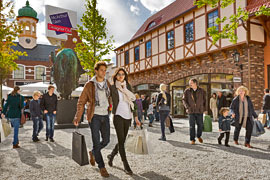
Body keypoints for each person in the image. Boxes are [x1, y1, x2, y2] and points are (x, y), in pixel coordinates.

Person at [73, 61, 111, 178]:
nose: (103, 72)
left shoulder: (107, 83)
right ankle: (102, 166)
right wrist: (77, 117)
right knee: (96, 141)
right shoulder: (89, 84)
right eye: (101, 70)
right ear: (96, 71)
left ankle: (93, 153)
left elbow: (111, 97)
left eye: (105, 70)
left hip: (105, 115)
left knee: (106, 141)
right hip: (94, 117)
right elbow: (81, 101)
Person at [107, 68, 141, 175]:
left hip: (128, 116)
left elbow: (133, 102)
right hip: (118, 116)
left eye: (123, 74)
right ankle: (126, 165)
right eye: (119, 74)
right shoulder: (112, 88)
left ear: (125, 76)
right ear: (116, 76)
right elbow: (106, 98)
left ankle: (112, 155)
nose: (121, 76)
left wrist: (136, 117)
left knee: (122, 140)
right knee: (121, 141)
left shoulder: (128, 87)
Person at [182, 78, 206, 145]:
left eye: (191, 83)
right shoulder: (187, 91)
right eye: (189, 83)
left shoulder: (202, 91)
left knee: (200, 125)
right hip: (191, 111)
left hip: (199, 111)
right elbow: (184, 100)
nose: (190, 84)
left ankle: (198, 136)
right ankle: (192, 139)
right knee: (192, 126)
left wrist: (204, 109)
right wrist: (187, 108)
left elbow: (205, 100)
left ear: (195, 83)